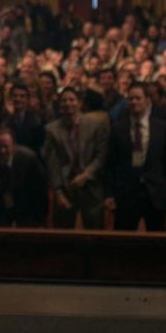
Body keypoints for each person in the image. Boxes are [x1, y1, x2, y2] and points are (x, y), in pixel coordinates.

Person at [104, 82, 166, 232]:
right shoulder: (117, 128)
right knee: (123, 243)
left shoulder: (163, 128)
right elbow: (111, 164)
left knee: (157, 243)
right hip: (125, 194)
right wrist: (109, 193)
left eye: (138, 98)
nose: (134, 102)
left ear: (147, 100)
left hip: (155, 193)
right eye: (131, 98)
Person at [41, 88, 107, 229]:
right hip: (66, 187)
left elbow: (101, 155)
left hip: (91, 186)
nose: (68, 103)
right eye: (64, 100)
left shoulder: (96, 125)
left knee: (95, 232)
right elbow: (52, 163)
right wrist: (58, 192)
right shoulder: (51, 129)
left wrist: (86, 175)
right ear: (60, 105)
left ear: (79, 103)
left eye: (72, 100)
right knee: (63, 234)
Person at [0, 129, 48, 227]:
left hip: (26, 206)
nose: (2, 151)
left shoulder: (29, 158)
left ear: (14, 145)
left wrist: (40, 218)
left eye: (6, 147)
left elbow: (40, 189)